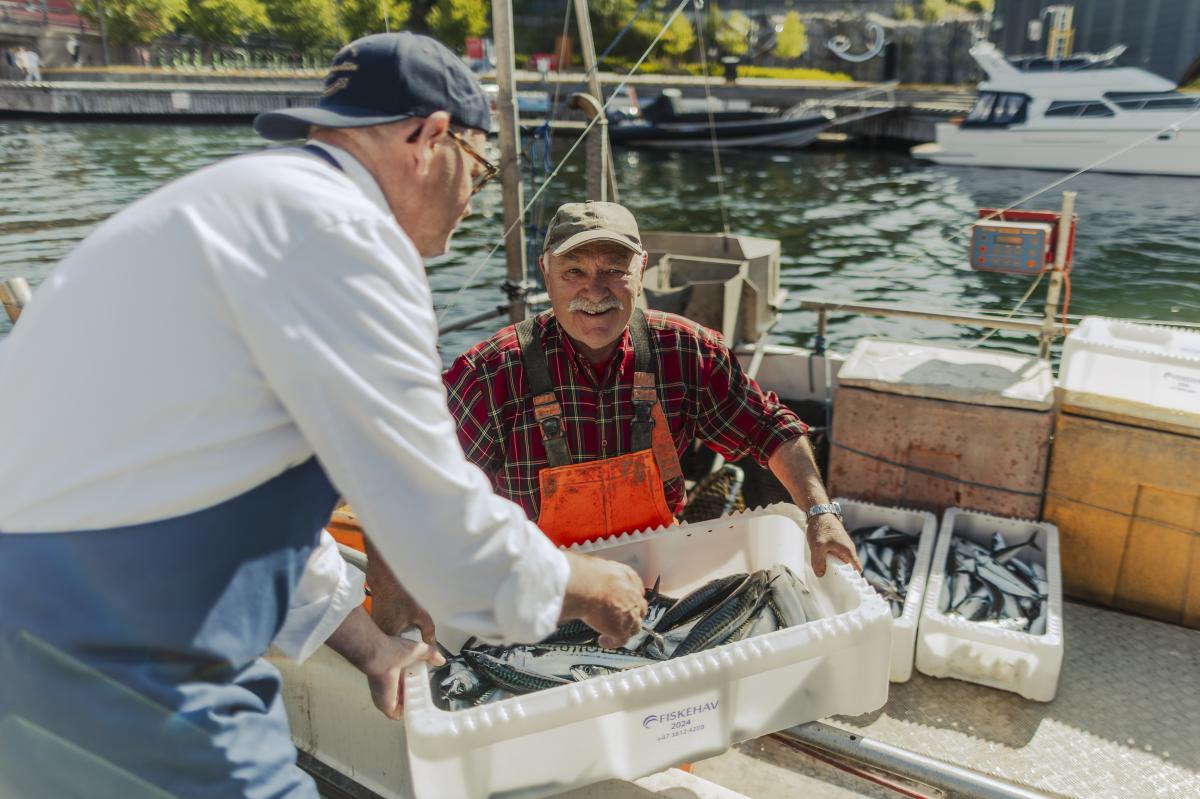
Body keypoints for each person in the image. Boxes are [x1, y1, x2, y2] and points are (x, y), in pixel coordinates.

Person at [0, 33, 647, 799]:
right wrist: (594, 585)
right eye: (479, 168)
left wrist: (372, 647)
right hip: (130, 646)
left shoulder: (223, 207)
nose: (473, 199)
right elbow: (444, 539)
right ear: (430, 137)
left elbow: (238, 495)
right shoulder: (349, 237)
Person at [440, 201, 861, 574]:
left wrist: (821, 513)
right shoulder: (489, 372)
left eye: (614, 270)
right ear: (545, 273)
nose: (595, 290)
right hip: (535, 586)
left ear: (641, 272)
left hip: (659, 574)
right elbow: (425, 486)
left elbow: (770, 429)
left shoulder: (685, 349)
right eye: (574, 271)